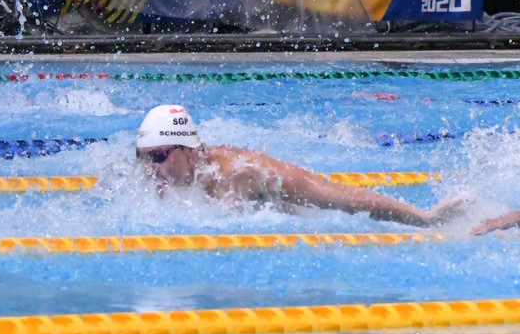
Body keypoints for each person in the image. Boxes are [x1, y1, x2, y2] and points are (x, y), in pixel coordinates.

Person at [136, 104, 465, 227]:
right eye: (144, 156)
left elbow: (339, 197)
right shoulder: (151, 178)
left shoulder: (245, 172)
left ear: (191, 151)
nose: (150, 168)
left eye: (159, 155)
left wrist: (426, 218)